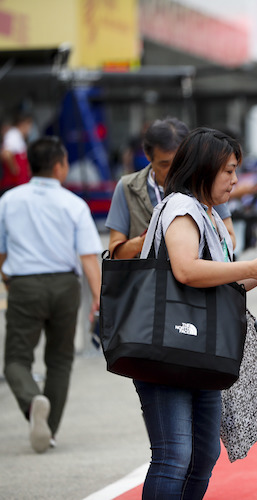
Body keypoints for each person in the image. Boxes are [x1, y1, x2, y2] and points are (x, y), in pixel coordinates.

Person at [135, 127, 257, 498]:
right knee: (174, 455)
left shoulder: (207, 213)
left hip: (196, 349)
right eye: (228, 170)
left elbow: (221, 286)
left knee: (202, 454)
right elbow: (186, 269)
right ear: (203, 168)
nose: (235, 180)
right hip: (170, 348)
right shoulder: (181, 208)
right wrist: (249, 267)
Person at [0, 136, 102, 453]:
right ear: (59, 165)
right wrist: (99, 300)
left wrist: (5, 278)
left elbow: (1, 251)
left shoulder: (8, 200)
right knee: (59, 360)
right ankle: (50, 431)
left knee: (16, 359)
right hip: (64, 286)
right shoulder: (74, 204)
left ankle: (33, 403)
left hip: (24, 285)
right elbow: (88, 257)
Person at [105, 117, 236, 259]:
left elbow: (230, 239)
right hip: (146, 279)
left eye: (178, 163)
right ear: (148, 155)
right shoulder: (128, 187)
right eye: (164, 164)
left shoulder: (204, 184)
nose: (172, 170)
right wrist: (146, 241)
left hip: (198, 278)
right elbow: (114, 252)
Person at [0, 110, 34, 195]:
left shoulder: (18, 136)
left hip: (19, 184)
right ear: (23, 123)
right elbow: (6, 154)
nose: (30, 128)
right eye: (29, 125)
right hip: (13, 184)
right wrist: (15, 170)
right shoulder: (13, 134)